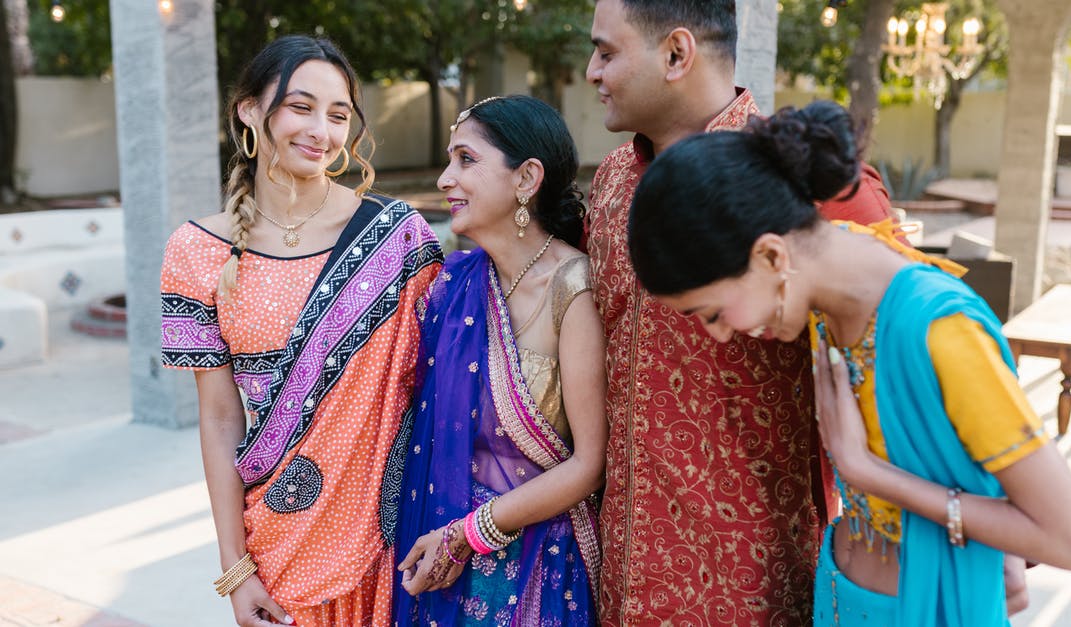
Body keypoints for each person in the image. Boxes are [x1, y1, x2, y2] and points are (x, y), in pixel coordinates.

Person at [625, 101, 1071, 626]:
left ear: (770, 257)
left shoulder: (938, 331)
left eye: (713, 312)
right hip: (841, 593)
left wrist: (866, 472)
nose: (719, 333)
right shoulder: (831, 284)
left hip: (926, 607)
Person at [583, 0, 903, 622]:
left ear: (677, 53)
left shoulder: (806, 186)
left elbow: (908, 374)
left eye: (606, 52)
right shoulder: (612, 180)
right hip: (618, 579)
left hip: (753, 584)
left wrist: (973, 520)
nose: (592, 71)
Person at [160, 36, 442, 627]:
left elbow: (440, 387)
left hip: (395, 542)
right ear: (249, 110)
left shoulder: (398, 238)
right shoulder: (197, 251)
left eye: (338, 115)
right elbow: (218, 418)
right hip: (276, 553)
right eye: (300, 106)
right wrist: (236, 570)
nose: (321, 130)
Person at [391, 95, 607, 626]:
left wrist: (469, 535)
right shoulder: (455, 286)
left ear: (526, 178)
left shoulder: (571, 289)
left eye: (466, 159)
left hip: (539, 565)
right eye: (449, 160)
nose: (445, 178)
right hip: (446, 555)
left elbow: (588, 464)